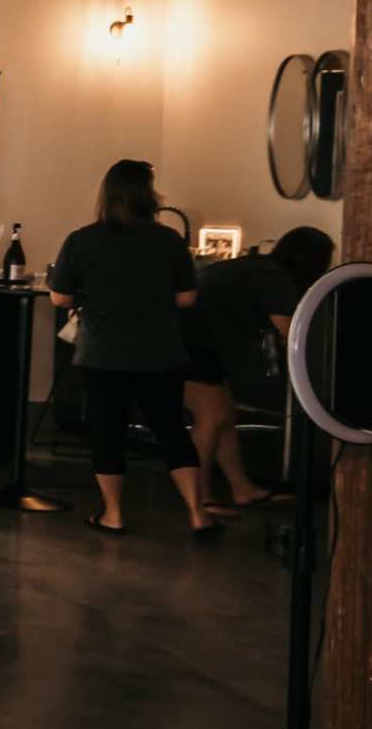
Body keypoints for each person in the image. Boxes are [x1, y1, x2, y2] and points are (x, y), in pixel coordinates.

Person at [46, 158, 208, 536]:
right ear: (148, 196)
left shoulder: (82, 240)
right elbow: (186, 298)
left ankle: (114, 514)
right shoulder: (169, 240)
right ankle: (198, 513)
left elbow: (60, 297)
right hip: (161, 353)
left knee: (108, 434)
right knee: (172, 431)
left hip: (103, 353)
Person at [183, 224, 332, 510]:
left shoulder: (256, 267)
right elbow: (291, 333)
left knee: (225, 415)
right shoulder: (277, 279)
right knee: (211, 418)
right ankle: (200, 498)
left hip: (192, 341)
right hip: (190, 345)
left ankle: (242, 489)